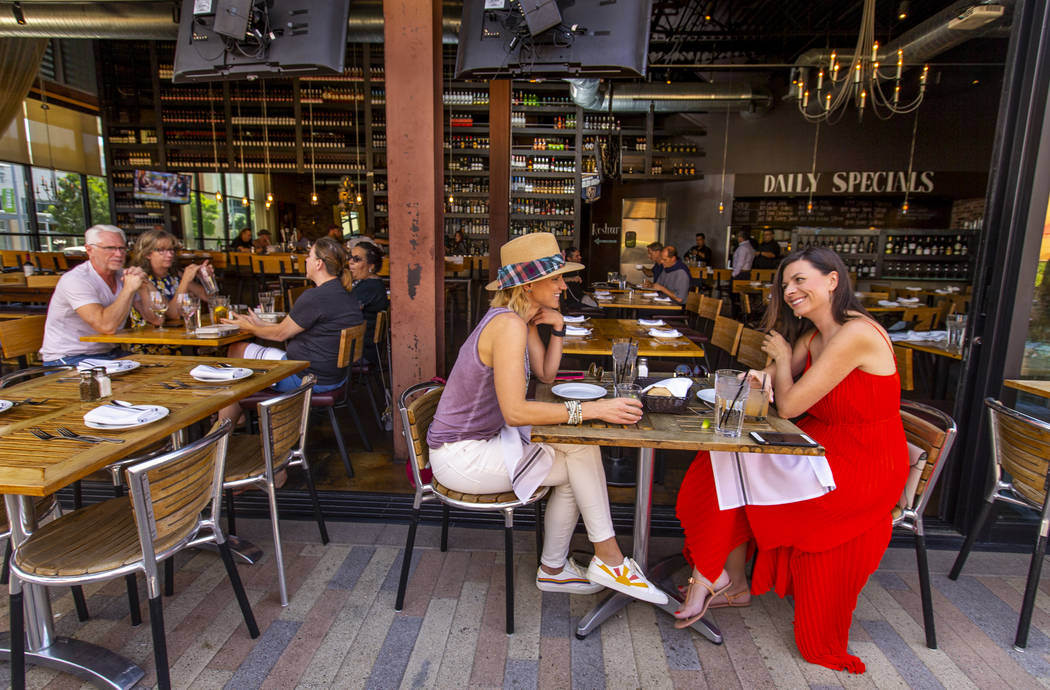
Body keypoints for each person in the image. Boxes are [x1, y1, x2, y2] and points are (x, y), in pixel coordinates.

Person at [673, 246, 907, 673]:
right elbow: (774, 384)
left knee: (732, 465)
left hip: (863, 466)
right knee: (721, 460)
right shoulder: (815, 334)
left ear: (832, 280)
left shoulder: (855, 333)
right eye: (786, 284)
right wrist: (768, 369)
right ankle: (726, 579)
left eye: (800, 280)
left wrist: (780, 361)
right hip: (824, 448)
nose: (791, 290)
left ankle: (715, 577)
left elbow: (792, 403)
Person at [427, 232, 668, 604]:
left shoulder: (516, 321)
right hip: (462, 457)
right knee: (580, 456)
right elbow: (515, 411)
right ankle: (596, 561)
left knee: (578, 453)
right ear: (528, 284)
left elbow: (545, 375)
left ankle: (572, 566)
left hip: (486, 442)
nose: (563, 284)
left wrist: (557, 328)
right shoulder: (506, 325)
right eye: (555, 277)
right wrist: (595, 409)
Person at [222, 237, 363, 401]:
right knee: (242, 365)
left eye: (309, 256)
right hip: (334, 376)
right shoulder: (344, 293)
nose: (306, 260)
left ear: (318, 263)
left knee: (236, 350)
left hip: (306, 377)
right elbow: (289, 328)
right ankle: (240, 412)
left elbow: (280, 335)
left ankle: (232, 418)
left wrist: (249, 328)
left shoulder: (315, 297)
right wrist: (260, 324)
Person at [40, 224, 147, 366]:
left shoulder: (124, 276)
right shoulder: (76, 280)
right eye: (110, 248)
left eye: (122, 248)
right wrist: (128, 290)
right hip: (68, 357)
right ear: (89, 250)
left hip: (108, 354)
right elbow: (106, 326)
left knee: (163, 369)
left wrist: (145, 284)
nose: (119, 254)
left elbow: (156, 318)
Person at [127, 229, 211, 329]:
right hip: (151, 339)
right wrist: (185, 281)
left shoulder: (175, 275)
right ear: (147, 254)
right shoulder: (142, 280)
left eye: (171, 249)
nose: (170, 254)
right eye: (161, 250)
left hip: (179, 334)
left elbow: (211, 298)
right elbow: (173, 314)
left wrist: (207, 279)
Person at [347, 241, 390, 364]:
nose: (350, 262)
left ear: (371, 265)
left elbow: (344, 312)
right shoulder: (372, 283)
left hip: (361, 352)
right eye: (350, 257)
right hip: (366, 349)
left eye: (357, 259)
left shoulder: (370, 287)